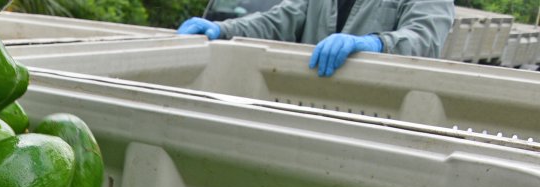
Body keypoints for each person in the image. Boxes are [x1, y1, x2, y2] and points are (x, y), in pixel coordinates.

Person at [176, 0, 455, 76]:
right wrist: (223, 29)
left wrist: (376, 43)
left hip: (379, 119)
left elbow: (424, 38)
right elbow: (278, 20)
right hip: (311, 100)